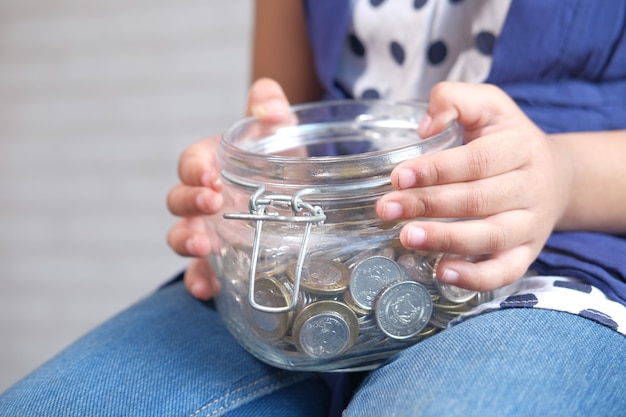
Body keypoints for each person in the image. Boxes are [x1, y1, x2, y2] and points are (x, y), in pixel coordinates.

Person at [2, 1, 626, 416]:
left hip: (562, 264)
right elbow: (282, 114)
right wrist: (246, 186)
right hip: (307, 274)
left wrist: (564, 176)